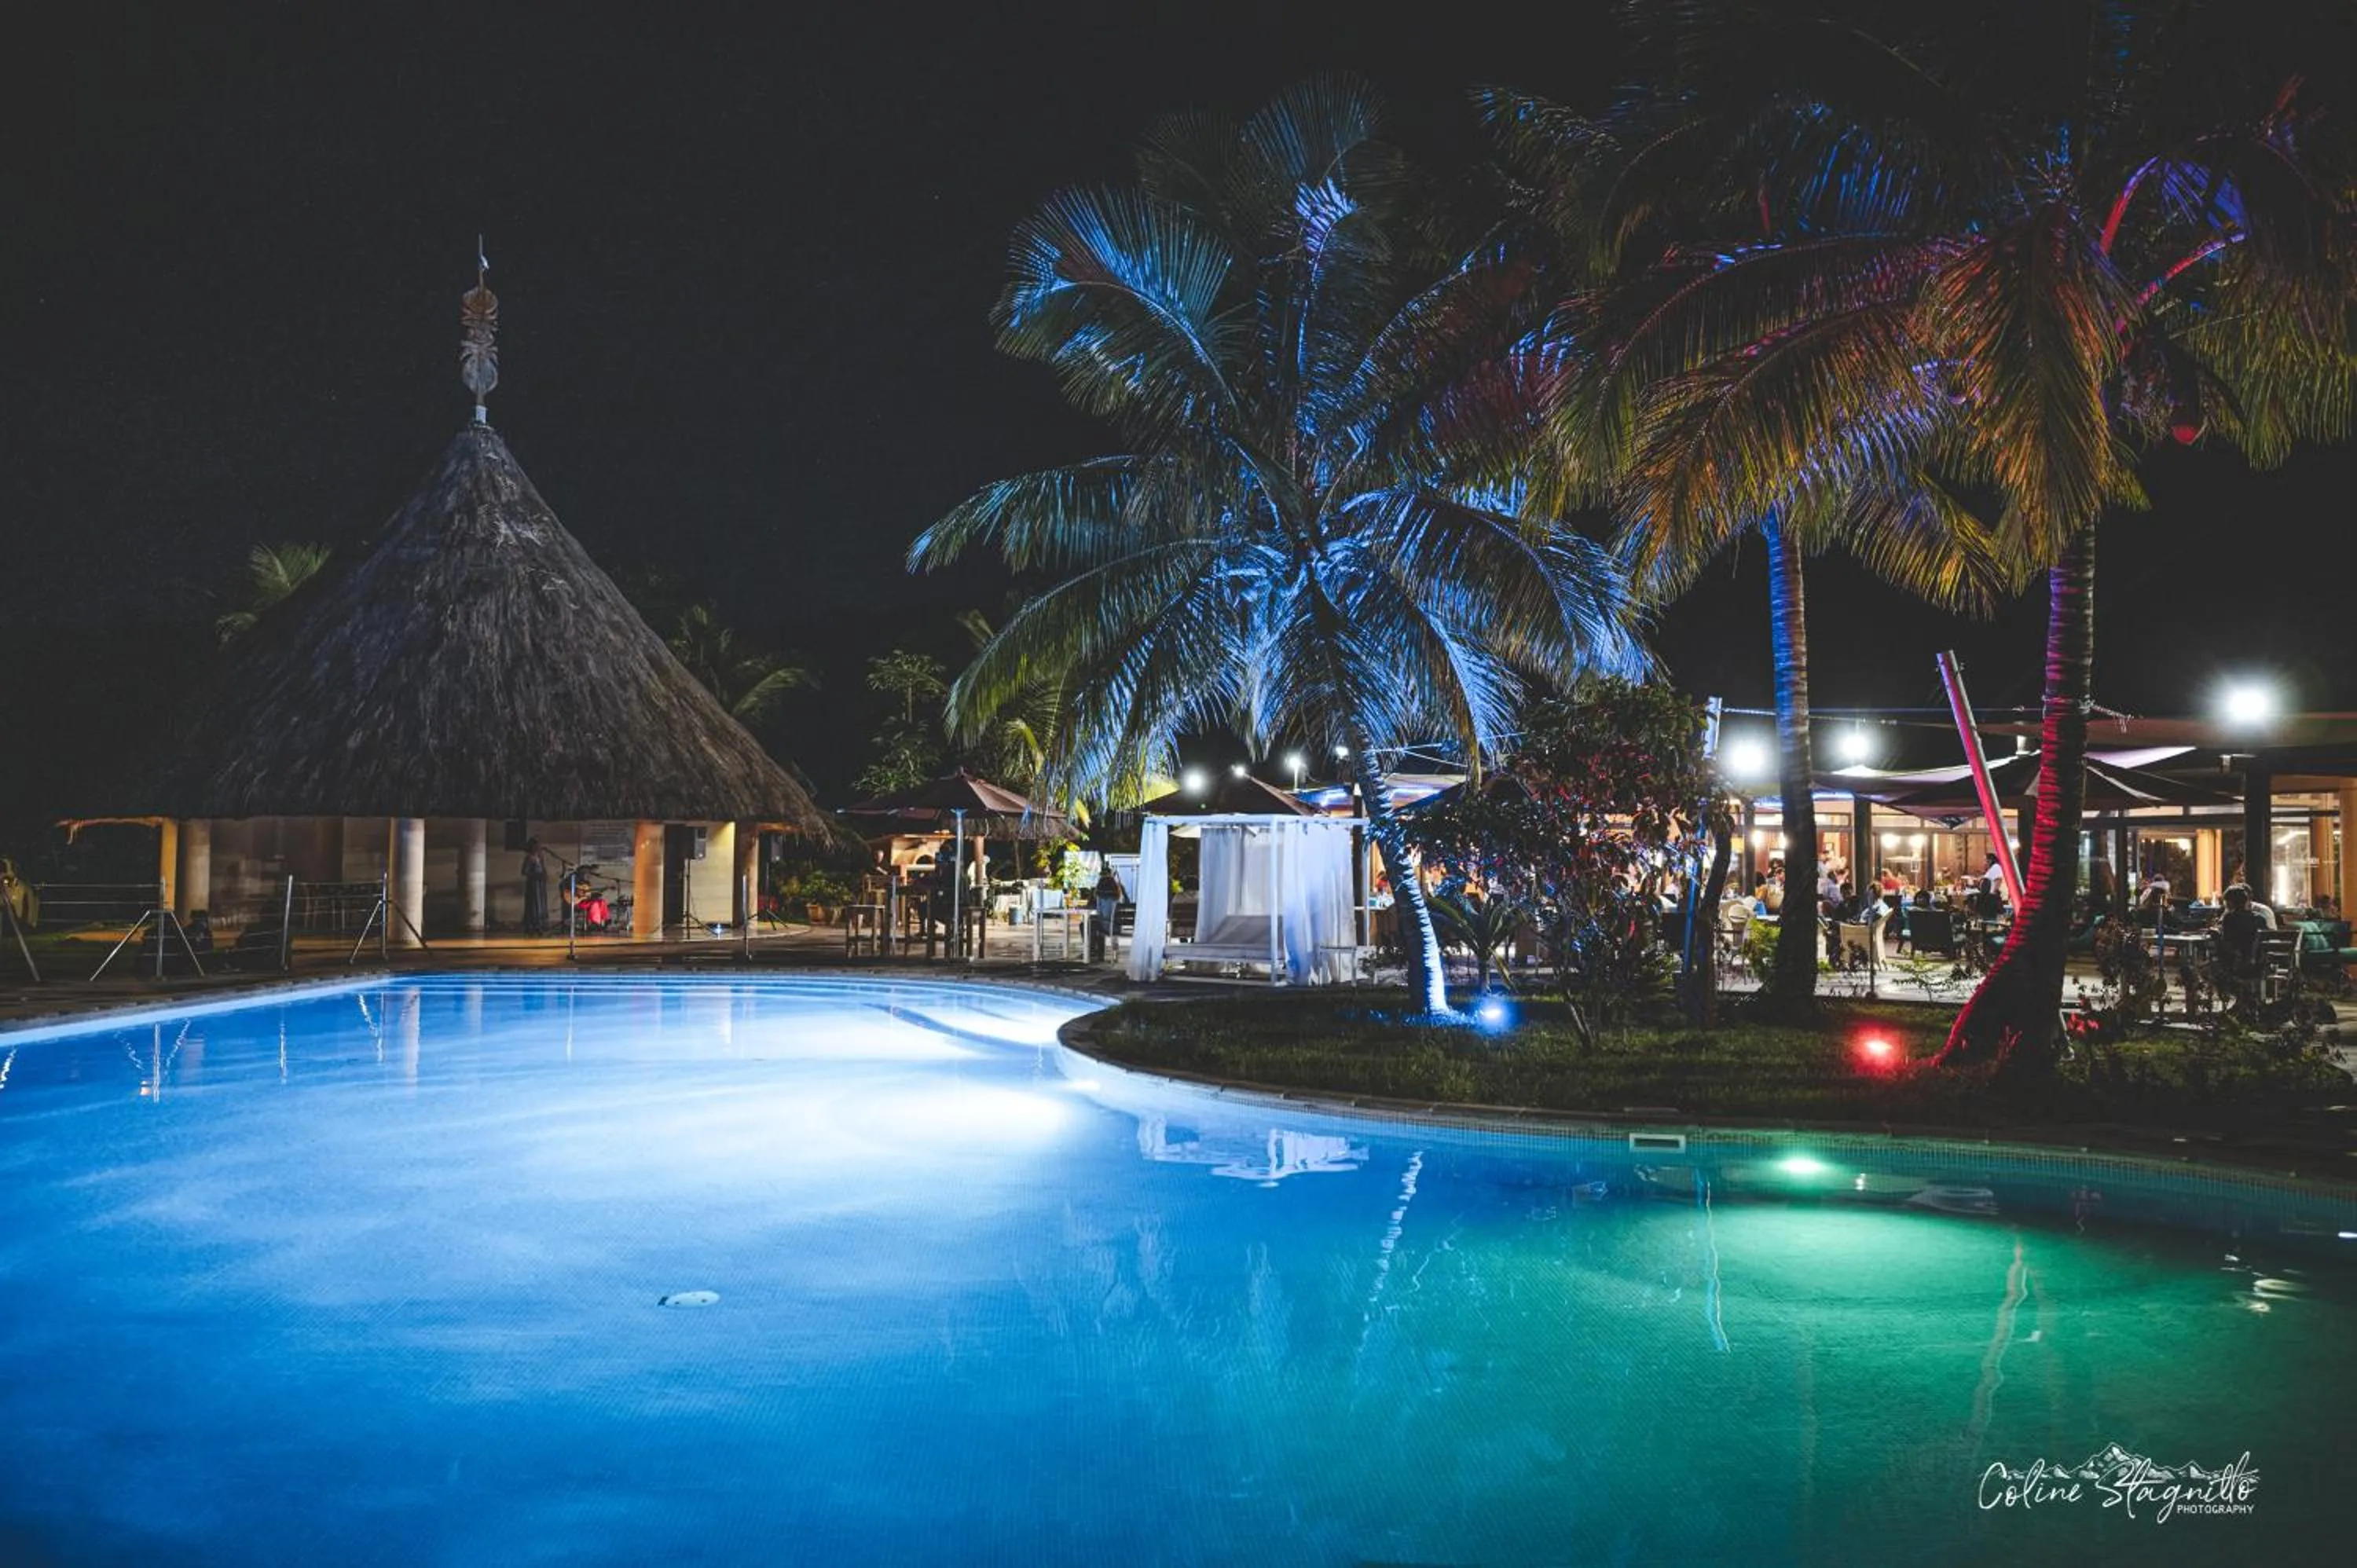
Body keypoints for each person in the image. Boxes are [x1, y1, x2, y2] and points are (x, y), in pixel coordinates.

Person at [521, 838, 549, 935]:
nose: (539, 848)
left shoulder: (540, 858)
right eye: (537, 846)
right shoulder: (529, 858)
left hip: (540, 884)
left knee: (541, 904)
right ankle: (532, 926)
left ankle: (540, 925)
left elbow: (543, 870)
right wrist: (536, 875)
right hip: (533, 884)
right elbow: (524, 872)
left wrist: (544, 875)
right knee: (534, 905)